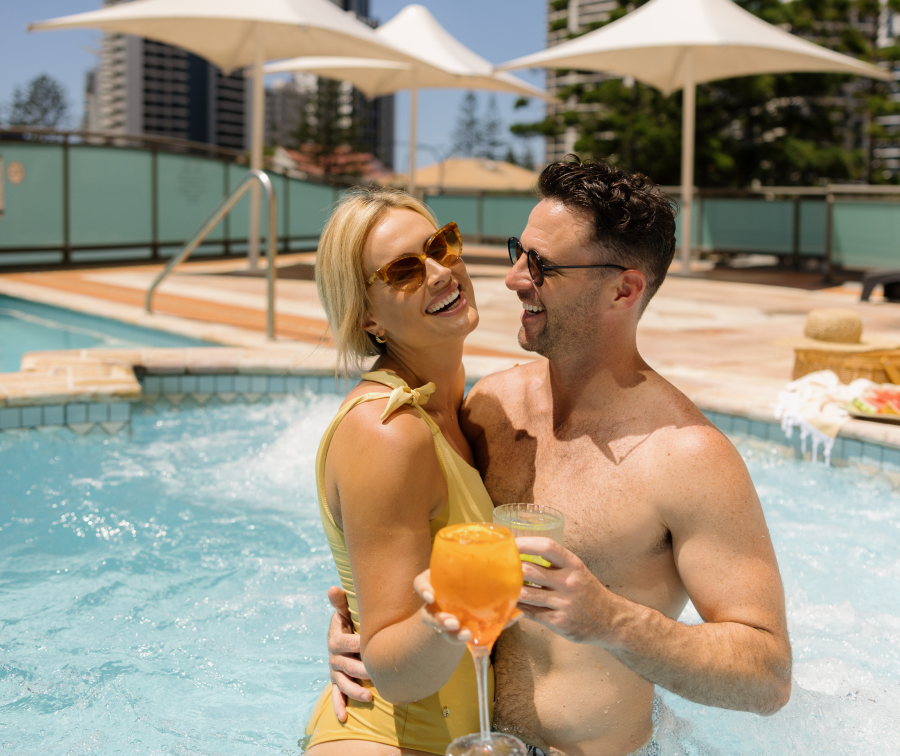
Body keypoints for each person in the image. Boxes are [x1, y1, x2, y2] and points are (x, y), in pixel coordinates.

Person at [325, 157, 793, 756]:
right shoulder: (492, 408)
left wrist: (610, 620)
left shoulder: (689, 458)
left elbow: (768, 678)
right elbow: (398, 540)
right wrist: (361, 632)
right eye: (519, 252)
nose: (513, 279)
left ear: (623, 289)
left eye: (542, 266)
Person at [303, 188, 500, 755]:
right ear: (367, 316)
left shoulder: (460, 405)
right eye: (404, 271)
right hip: (386, 739)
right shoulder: (388, 432)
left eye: (441, 246)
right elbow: (392, 669)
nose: (439, 273)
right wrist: (447, 612)